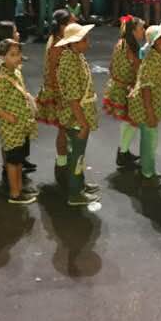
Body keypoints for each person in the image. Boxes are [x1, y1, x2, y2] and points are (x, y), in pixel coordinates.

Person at [0, 38, 40, 203]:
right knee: (13, 162)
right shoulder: (1, 80)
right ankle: (15, 193)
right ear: (2, 58)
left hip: (21, 127)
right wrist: (8, 116)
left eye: (18, 54)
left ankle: (20, 188)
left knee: (19, 160)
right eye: (13, 54)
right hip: (11, 128)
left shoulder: (16, 72)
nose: (17, 57)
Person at [55, 22, 102, 206]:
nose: (87, 43)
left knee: (77, 153)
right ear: (73, 44)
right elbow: (74, 99)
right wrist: (83, 123)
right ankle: (75, 193)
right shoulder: (70, 63)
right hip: (77, 118)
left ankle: (78, 183)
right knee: (77, 155)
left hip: (77, 116)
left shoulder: (75, 56)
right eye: (84, 40)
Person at [127, 19, 161, 188]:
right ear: (157, 42)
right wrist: (150, 113)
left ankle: (147, 168)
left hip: (151, 106)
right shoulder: (152, 60)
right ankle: (148, 174)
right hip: (148, 108)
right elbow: (146, 88)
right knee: (150, 141)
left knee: (148, 140)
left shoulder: (156, 55)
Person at [37, 9, 77, 183]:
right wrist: (63, 97)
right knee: (64, 128)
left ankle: (64, 163)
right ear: (63, 26)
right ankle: (62, 165)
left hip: (61, 90)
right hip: (59, 92)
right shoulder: (56, 45)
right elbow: (54, 73)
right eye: (72, 22)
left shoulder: (60, 40)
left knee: (65, 129)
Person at [104, 16, 145, 168]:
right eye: (141, 28)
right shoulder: (130, 47)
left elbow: (111, 66)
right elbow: (138, 68)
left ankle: (124, 150)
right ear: (133, 31)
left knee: (128, 122)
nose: (144, 31)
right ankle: (123, 153)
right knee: (132, 121)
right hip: (126, 89)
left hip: (118, 86)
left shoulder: (120, 43)